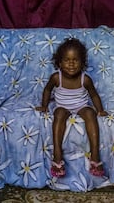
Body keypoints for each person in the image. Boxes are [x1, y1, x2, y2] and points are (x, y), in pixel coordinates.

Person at [36, 38, 108, 178]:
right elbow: (47, 90)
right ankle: (57, 155)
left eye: (75, 60)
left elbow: (93, 95)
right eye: (67, 60)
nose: (71, 64)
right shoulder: (57, 78)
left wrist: (100, 110)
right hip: (63, 106)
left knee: (90, 113)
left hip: (81, 106)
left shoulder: (85, 79)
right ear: (59, 63)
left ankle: (95, 155)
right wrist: (44, 106)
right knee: (59, 114)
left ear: (82, 63)